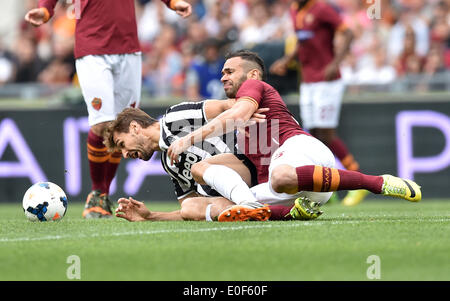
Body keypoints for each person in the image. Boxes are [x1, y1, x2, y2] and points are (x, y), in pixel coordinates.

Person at [167, 50, 422, 222]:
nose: (223, 76)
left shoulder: (254, 87)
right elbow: (238, 124)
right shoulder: (241, 119)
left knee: (279, 176)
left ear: (252, 74)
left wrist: (188, 139)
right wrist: (149, 215)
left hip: (303, 155)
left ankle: (377, 183)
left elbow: (239, 115)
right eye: (222, 72)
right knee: (195, 199)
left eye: (230, 71)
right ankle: (287, 212)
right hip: (297, 191)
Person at [25, 0, 192, 219]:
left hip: (128, 48)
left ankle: (103, 195)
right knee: (102, 123)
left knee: (122, 125)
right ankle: (97, 191)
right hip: (92, 47)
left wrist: (171, 2)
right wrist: (46, 8)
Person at [269, 0, 369, 206]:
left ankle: (357, 179)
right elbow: (302, 41)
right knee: (312, 135)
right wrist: (287, 60)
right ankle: (324, 187)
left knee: (326, 134)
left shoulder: (322, 8)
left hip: (327, 80)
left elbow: (348, 32)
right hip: (308, 80)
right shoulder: (295, 9)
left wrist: (335, 62)